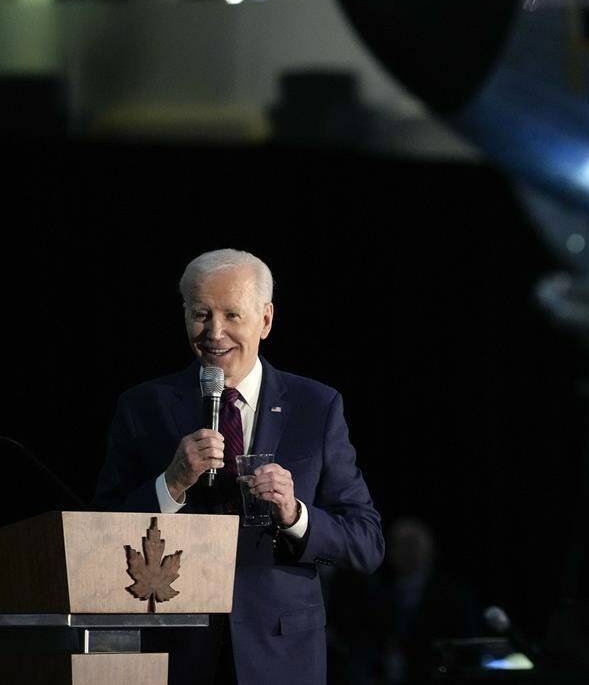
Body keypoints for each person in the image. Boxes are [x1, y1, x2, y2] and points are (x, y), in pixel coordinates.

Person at [94, 248, 384, 685]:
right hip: (176, 653)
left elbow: (366, 543)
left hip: (281, 656)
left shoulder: (316, 407)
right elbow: (98, 535)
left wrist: (295, 515)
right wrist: (169, 484)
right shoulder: (143, 407)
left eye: (232, 315)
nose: (215, 332)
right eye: (201, 314)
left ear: (265, 320)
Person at [331, 516, 483, 683]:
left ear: (430, 547)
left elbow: (465, 644)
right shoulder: (374, 590)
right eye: (398, 544)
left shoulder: (454, 594)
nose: (405, 551)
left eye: (412, 543)